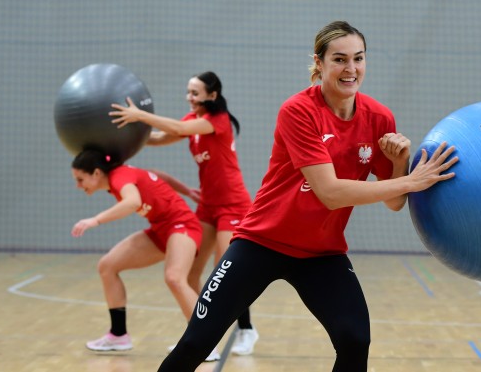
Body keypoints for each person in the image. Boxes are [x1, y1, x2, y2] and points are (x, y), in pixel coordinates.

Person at [157, 20, 458, 371]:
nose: (351, 69)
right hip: (260, 243)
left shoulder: (379, 118)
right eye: (340, 59)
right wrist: (410, 181)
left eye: (359, 59)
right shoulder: (298, 110)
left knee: (355, 339)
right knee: (195, 342)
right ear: (319, 62)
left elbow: (393, 203)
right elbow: (330, 193)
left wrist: (400, 162)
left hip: (321, 252)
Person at [109, 71, 260, 355]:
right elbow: (157, 138)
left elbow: (177, 129)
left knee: (228, 274)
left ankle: (247, 330)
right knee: (191, 274)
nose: (189, 98)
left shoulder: (216, 122)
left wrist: (139, 115)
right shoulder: (192, 121)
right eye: (188, 92)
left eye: (195, 93)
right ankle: (200, 335)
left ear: (211, 96)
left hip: (234, 206)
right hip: (208, 207)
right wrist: (119, 138)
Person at [69, 149, 220, 362]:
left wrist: (95, 220)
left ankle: (204, 343)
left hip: (182, 225)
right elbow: (156, 173)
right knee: (107, 266)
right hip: (160, 229)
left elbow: (132, 202)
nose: (78, 185)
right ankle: (118, 335)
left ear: (96, 173)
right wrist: (186, 190)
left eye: (80, 179)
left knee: (175, 278)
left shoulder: (119, 176)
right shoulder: (123, 175)